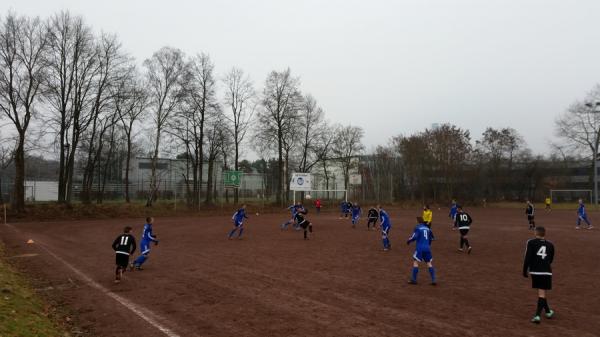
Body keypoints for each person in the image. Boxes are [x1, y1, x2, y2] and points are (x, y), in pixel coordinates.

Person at [522, 226, 555, 324]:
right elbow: (551, 259)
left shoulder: (531, 242)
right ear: (545, 234)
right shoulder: (551, 245)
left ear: (535, 233)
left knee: (541, 292)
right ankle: (548, 312)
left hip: (535, 271)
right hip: (547, 271)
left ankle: (537, 315)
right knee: (542, 292)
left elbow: (527, 258)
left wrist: (524, 270)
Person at [407, 217, 436, 285]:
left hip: (420, 248)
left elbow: (414, 237)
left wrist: (408, 241)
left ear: (417, 222)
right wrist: (428, 244)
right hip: (427, 248)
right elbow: (432, 238)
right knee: (429, 263)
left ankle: (414, 279)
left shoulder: (417, 228)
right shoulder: (428, 229)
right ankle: (434, 280)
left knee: (415, 262)